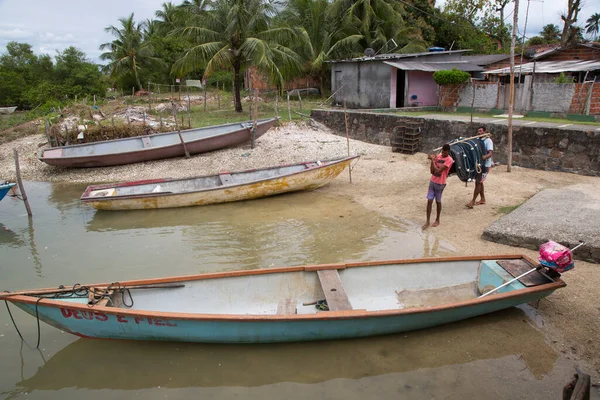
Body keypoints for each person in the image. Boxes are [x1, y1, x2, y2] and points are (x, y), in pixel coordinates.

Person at [423, 143, 454, 230]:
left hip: (441, 183)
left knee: (438, 201)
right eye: (442, 151)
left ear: (448, 151)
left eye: (444, 152)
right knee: (429, 201)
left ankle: (437, 219)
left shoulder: (449, 160)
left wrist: (432, 161)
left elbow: (438, 170)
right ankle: (427, 221)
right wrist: (432, 161)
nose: (443, 153)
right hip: (433, 181)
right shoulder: (439, 156)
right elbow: (432, 171)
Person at [466, 126, 493, 209]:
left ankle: (473, 201)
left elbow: (490, 153)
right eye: (478, 131)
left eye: (481, 131)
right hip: (479, 164)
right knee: (480, 182)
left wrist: (483, 157)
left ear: (485, 132)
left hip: (485, 165)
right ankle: (483, 199)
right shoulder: (478, 140)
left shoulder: (488, 141)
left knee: (478, 182)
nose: (479, 132)